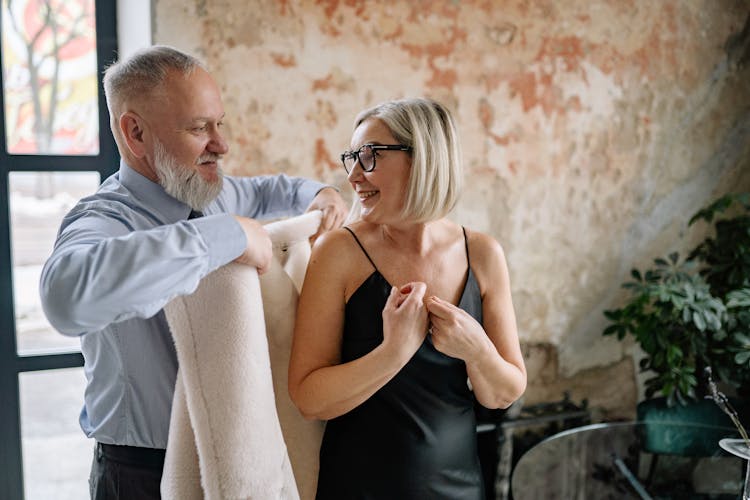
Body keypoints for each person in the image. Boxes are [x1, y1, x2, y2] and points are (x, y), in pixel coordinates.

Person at [39, 45, 347, 500]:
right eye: (199, 128)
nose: (221, 144)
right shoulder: (102, 221)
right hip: (141, 475)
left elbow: (267, 191)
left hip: (231, 457)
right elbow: (65, 299)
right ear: (136, 133)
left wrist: (319, 192)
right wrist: (223, 238)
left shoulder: (209, 193)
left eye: (218, 124)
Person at [288, 97, 527, 499]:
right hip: (357, 487)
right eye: (352, 157)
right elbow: (309, 399)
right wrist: (394, 352)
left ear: (425, 158)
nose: (353, 176)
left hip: (460, 486)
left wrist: (477, 350)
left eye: (369, 157)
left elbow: (502, 393)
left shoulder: (483, 254)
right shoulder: (338, 253)